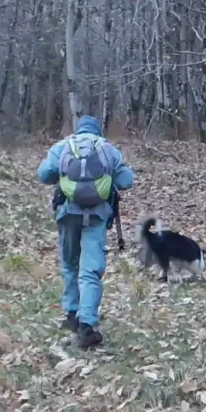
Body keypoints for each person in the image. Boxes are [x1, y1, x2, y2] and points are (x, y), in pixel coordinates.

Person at [37, 115, 135, 349]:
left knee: (70, 264)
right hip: (96, 216)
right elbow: (127, 180)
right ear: (98, 132)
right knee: (90, 270)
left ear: (78, 131)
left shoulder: (63, 146)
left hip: (67, 213)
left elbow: (43, 175)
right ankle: (86, 325)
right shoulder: (107, 149)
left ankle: (71, 313)